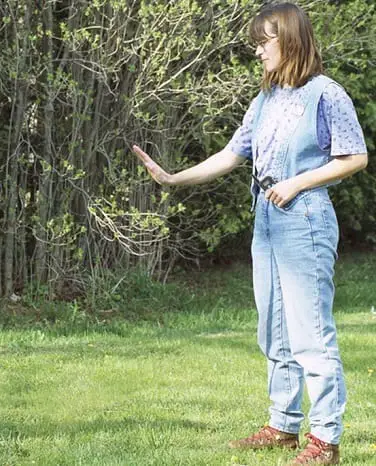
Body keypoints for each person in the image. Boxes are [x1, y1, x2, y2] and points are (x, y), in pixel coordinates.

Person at [132, 3, 368, 465]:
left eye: (264, 41)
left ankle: (325, 441)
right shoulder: (265, 100)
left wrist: (298, 182)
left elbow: (354, 157)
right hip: (266, 220)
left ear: (291, 40)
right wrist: (173, 178)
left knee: (310, 333)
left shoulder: (326, 94)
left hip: (305, 220)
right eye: (256, 42)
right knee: (273, 327)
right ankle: (283, 425)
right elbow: (231, 154)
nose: (257, 50)